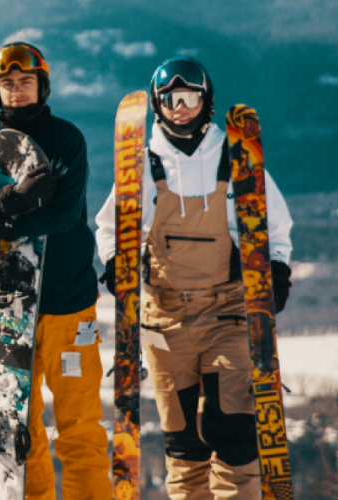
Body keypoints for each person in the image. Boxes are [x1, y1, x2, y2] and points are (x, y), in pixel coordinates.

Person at [94, 56, 294, 500]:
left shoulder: (235, 158)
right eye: (170, 100)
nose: (180, 108)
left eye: (189, 99)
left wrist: (276, 269)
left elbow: (274, 224)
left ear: (206, 103)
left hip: (227, 312)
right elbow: (109, 227)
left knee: (234, 432)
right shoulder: (142, 166)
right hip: (164, 320)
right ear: (158, 106)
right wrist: (114, 262)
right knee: (183, 445)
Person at [0, 42, 108, 500]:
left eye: (25, 82)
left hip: (69, 303)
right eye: (7, 84)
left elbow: (66, 214)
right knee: (15, 430)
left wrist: (5, 220)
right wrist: (16, 202)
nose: (16, 91)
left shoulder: (67, 138)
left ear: (41, 86)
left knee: (80, 426)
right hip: (8, 311)